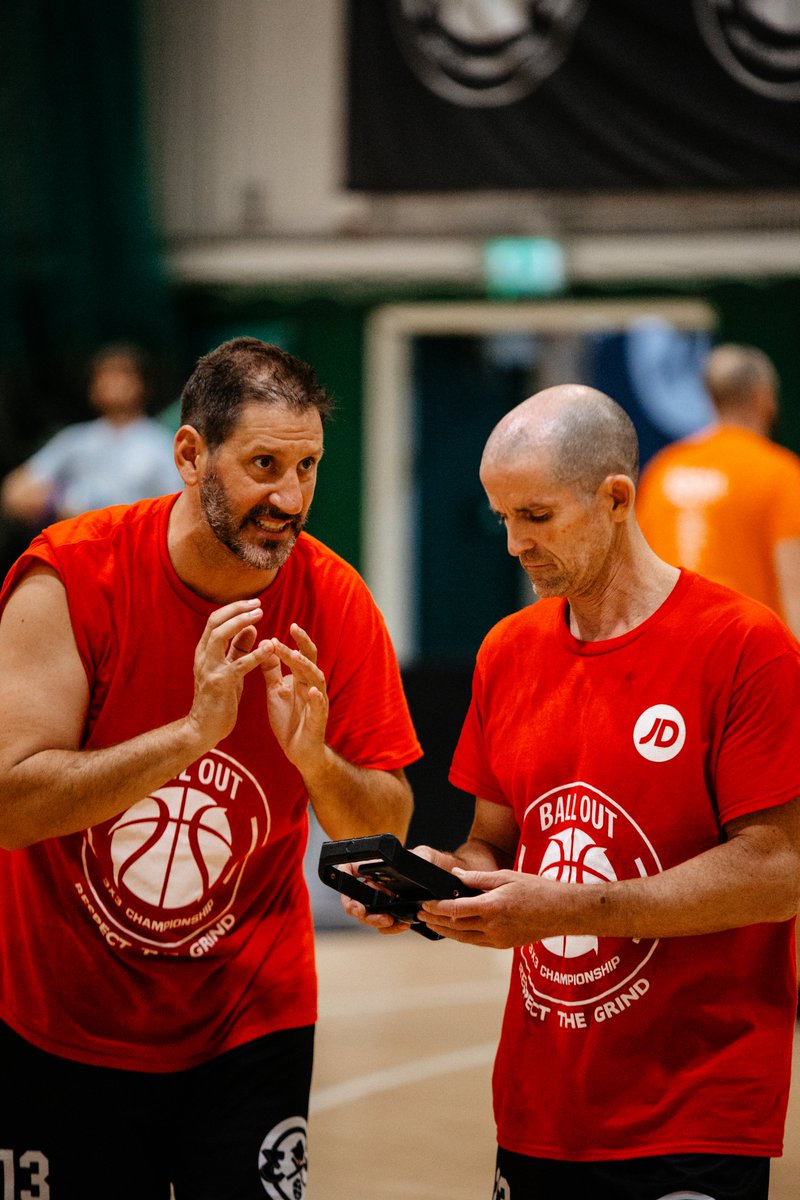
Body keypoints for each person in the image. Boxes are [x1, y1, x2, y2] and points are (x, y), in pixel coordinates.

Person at [343, 384, 800, 1200]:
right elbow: (496, 841)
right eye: (503, 518)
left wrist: (568, 910)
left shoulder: (746, 647)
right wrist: (444, 884)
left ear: (616, 499)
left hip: (692, 1104)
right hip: (540, 1105)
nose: (515, 544)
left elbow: (779, 872)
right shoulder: (508, 651)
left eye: (538, 517)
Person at [0, 337, 421, 1199]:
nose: (290, 497)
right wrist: (192, 735)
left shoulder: (333, 599)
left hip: (249, 1020)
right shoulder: (70, 578)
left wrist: (314, 757)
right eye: (264, 464)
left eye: (307, 467)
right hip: (61, 1017)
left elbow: (384, 824)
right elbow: (10, 805)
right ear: (190, 454)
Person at [636, 342, 800, 639]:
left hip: (670, 649)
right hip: (745, 654)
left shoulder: (664, 469)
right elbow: (795, 585)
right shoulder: (781, 473)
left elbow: (637, 570)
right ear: (764, 397)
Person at [0, 341, 181, 527]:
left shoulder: (161, 444)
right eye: (104, 374)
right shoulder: (74, 439)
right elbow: (15, 491)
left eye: (122, 373)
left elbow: (179, 510)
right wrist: (56, 503)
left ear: (143, 384)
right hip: (79, 542)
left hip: (135, 543)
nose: (112, 382)